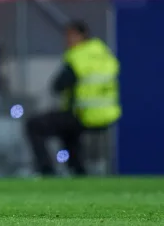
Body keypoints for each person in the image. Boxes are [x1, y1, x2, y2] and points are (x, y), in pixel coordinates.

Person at [24, 21, 121, 176]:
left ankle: (47, 170)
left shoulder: (78, 57)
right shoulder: (105, 54)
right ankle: (78, 170)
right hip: (107, 115)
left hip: (84, 114)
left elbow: (58, 85)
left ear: (80, 35)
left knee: (34, 125)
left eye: (70, 36)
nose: (67, 40)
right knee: (67, 127)